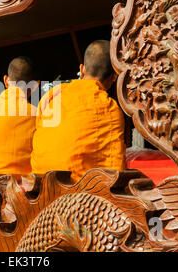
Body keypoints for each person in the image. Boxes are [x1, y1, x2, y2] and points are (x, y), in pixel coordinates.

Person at [31, 40, 126, 181]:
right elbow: (114, 170)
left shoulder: (52, 96)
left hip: (41, 185)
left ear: (82, 69)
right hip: (79, 195)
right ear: (114, 76)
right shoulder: (110, 108)